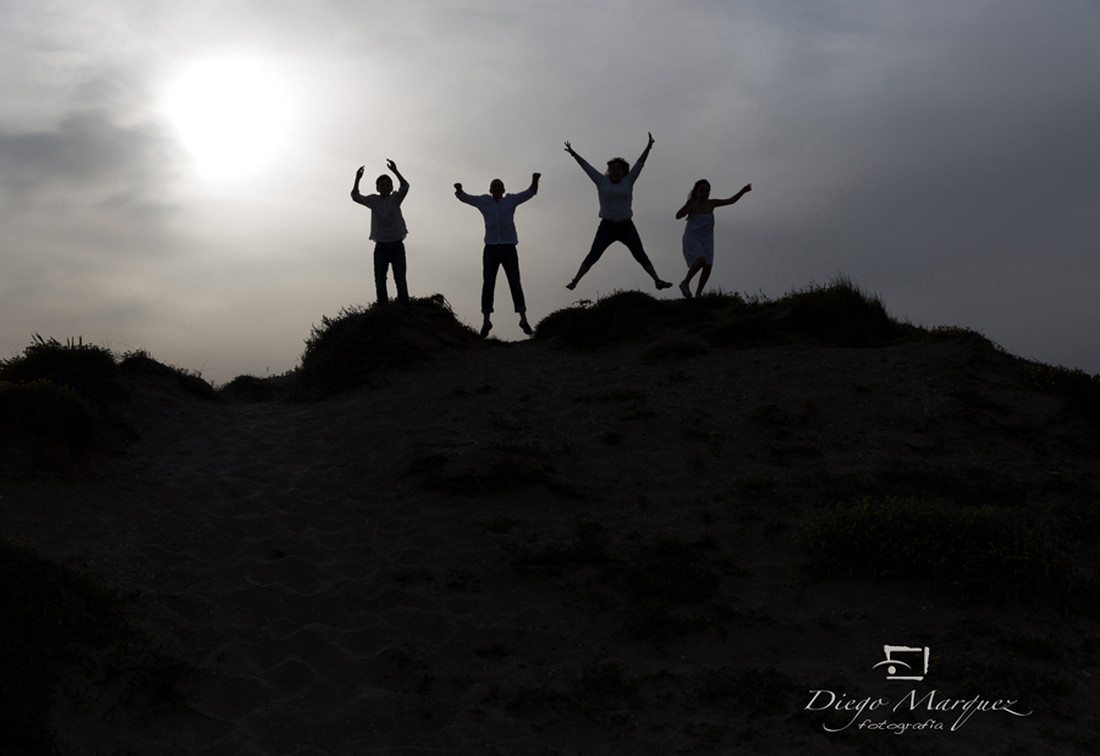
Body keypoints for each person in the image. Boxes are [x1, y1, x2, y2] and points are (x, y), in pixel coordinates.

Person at [563, 133, 672, 291]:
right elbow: (586, 167)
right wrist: (573, 153)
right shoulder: (601, 181)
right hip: (607, 226)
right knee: (594, 254)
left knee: (639, 253)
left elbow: (640, 163)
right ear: (609, 170)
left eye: (618, 169)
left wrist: (648, 147)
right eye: (613, 168)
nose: (615, 171)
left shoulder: (629, 181)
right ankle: (575, 280)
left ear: (623, 171)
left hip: (626, 226)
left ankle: (657, 280)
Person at [455, 173, 541, 338]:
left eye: (499, 186)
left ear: (503, 190)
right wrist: (459, 190)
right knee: (488, 284)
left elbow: (530, 193)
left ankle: (523, 319)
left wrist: (535, 180)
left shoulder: (510, 200)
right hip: (491, 249)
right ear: (490, 189)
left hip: (509, 248)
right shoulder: (484, 201)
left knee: (515, 282)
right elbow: (466, 198)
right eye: (494, 186)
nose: (496, 188)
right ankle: (486, 321)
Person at [675, 179, 752, 298]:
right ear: (696, 192)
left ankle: (698, 293)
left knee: (708, 265)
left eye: (707, 190)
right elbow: (678, 216)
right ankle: (685, 283)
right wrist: (687, 206)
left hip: (707, 239)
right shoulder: (693, 204)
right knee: (701, 259)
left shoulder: (712, 203)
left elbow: (731, 201)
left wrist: (743, 191)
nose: (705, 193)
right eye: (702, 190)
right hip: (692, 237)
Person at [351, 160, 410, 304]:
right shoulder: (373, 200)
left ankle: (404, 307)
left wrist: (395, 171)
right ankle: (383, 308)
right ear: (377, 188)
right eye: (381, 185)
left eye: (387, 185)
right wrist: (357, 179)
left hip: (397, 245)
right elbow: (355, 196)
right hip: (381, 246)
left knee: (400, 279)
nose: (384, 187)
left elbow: (405, 186)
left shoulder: (395, 198)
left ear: (391, 187)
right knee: (380, 280)